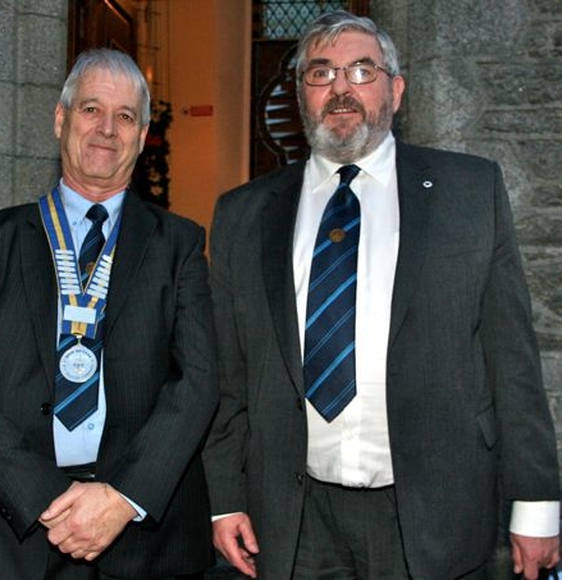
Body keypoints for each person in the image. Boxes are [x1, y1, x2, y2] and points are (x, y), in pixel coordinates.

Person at [202, 10, 560, 580]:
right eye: (321, 73)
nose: (341, 88)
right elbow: (229, 377)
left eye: (361, 70)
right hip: (292, 521)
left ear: (395, 88)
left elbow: (512, 359)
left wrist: (537, 504)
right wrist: (225, 498)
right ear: (301, 95)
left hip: (435, 511)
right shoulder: (243, 215)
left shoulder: (470, 192)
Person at [0, 48, 218, 579]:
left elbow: (197, 380)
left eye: (125, 116)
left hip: (141, 540)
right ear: (60, 120)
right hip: (4, 530)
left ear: (143, 132)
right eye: (90, 110)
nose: (107, 129)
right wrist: (44, 496)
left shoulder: (178, 244)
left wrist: (123, 497)